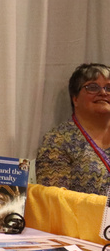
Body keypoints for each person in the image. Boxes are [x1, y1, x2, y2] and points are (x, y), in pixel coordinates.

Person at [36, 63, 110, 196]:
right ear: (75, 98)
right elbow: (55, 199)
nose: (103, 93)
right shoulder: (58, 140)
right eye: (93, 87)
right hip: (82, 216)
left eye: (109, 88)